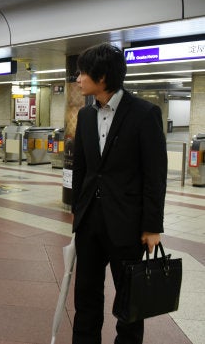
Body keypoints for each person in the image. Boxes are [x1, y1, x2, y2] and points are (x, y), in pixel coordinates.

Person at [71, 43, 167, 344]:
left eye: (83, 72)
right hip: (90, 224)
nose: (78, 78)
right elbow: (82, 170)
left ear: (102, 77)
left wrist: (153, 226)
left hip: (127, 225)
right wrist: (78, 212)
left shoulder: (144, 113)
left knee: (129, 302)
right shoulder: (86, 116)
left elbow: (155, 174)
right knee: (85, 297)